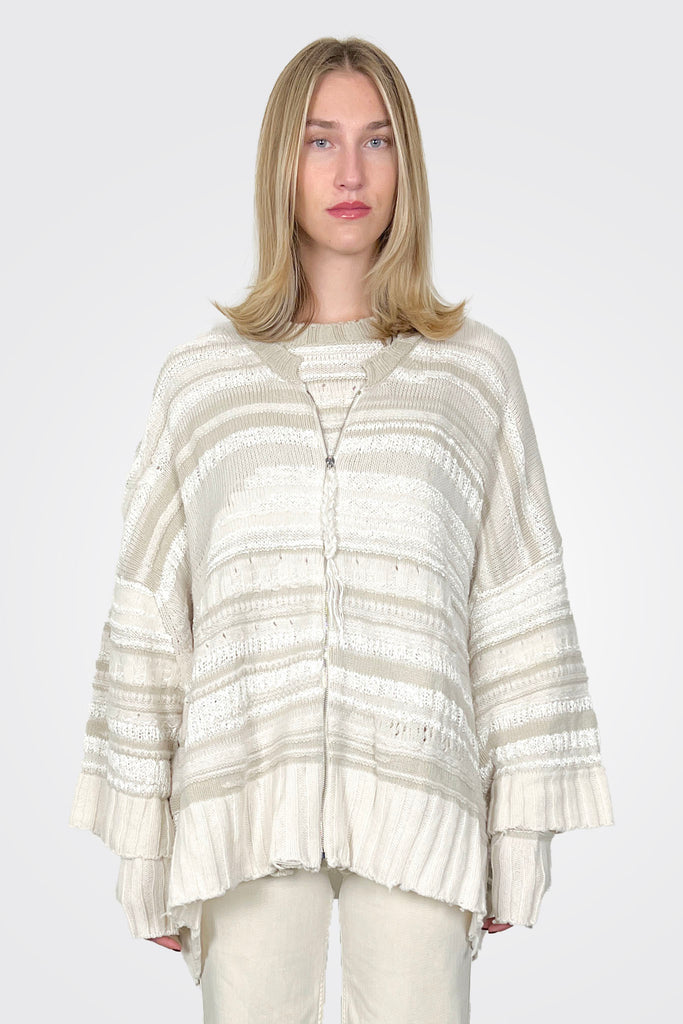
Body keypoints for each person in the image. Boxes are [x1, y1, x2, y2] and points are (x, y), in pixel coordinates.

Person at [68, 36, 615, 1023]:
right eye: (320, 140)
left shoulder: (472, 371)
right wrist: (144, 843)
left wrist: (517, 831)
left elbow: (514, 601)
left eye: (377, 140)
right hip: (244, 801)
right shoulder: (200, 382)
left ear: (408, 164)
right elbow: (152, 614)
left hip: (419, 802)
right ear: (281, 161)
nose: (351, 172)